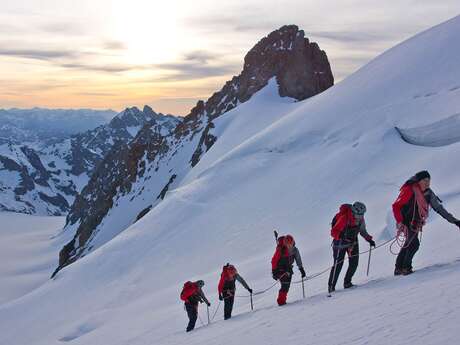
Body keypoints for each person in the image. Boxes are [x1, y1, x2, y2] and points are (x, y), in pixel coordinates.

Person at [392, 170, 460, 275]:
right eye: (425, 180)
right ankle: (405, 268)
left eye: (429, 180)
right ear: (418, 181)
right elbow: (396, 206)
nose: (427, 183)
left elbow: (439, 208)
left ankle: (398, 268)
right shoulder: (409, 190)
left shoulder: (428, 193)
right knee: (414, 244)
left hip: (416, 222)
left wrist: (454, 221)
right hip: (406, 222)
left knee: (409, 243)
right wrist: (400, 222)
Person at [328, 202, 376, 293]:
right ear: (354, 212)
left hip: (352, 242)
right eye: (360, 214)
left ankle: (347, 282)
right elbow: (333, 232)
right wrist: (341, 235)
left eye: (362, 214)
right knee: (338, 265)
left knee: (354, 263)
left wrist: (369, 239)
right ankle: (331, 287)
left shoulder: (361, 219)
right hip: (340, 243)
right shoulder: (344, 218)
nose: (361, 216)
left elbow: (362, 231)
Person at [271, 234, 306, 305]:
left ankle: (282, 301)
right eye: (288, 244)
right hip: (280, 269)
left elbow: (298, 259)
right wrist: (274, 272)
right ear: (285, 243)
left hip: (288, 269)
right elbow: (274, 261)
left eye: (291, 244)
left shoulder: (295, 250)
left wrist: (301, 269)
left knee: (287, 286)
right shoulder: (280, 250)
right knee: (285, 285)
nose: (289, 246)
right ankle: (281, 302)